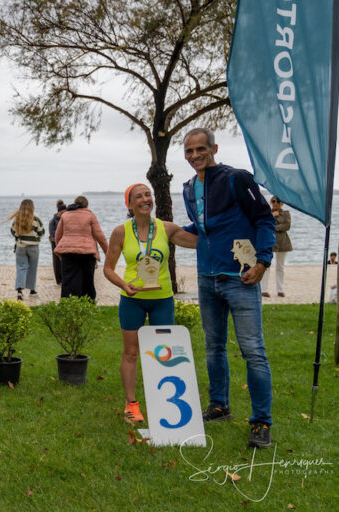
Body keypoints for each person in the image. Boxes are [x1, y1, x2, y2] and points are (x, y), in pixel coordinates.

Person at [182, 127, 275, 449]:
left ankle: (261, 422)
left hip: (240, 278)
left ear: (214, 148)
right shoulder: (188, 188)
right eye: (189, 151)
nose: (195, 155)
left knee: (253, 351)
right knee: (214, 347)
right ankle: (219, 406)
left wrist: (262, 262)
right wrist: (163, 230)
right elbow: (204, 228)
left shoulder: (237, 178)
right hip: (206, 279)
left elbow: (264, 219)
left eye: (200, 149)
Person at [103, 184, 198, 423]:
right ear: (130, 204)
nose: (145, 199)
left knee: (164, 353)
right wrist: (124, 285)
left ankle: (164, 404)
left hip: (162, 300)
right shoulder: (121, 232)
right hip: (132, 300)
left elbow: (198, 242)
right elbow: (108, 269)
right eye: (139, 196)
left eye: (148, 194)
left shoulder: (166, 228)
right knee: (131, 353)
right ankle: (131, 404)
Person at [54, 196, 108, 300]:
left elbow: (57, 235)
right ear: (86, 205)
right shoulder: (90, 215)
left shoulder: (65, 215)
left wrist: (61, 248)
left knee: (68, 282)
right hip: (87, 254)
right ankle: (87, 305)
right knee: (87, 283)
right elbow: (100, 236)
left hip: (68, 253)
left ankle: (68, 305)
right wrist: (108, 253)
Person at [8, 199, 45, 301]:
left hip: (21, 247)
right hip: (33, 247)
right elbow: (42, 232)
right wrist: (34, 237)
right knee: (32, 268)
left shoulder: (17, 219)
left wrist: (19, 237)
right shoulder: (36, 219)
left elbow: (13, 231)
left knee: (21, 267)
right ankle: (32, 290)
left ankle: (20, 291)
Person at [262, 196, 292, 298]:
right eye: (273, 201)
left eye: (278, 201)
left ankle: (280, 290)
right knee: (266, 265)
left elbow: (287, 226)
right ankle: (264, 289)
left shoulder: (286, 213)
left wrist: (274, 226)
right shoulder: (267, 213)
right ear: (271, 202)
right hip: (269, 241)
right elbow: (264, 224)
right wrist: (272, 216)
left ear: (282, 203)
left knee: (280, 267)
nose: (275, 203)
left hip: (282, 242)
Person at [48, 200, 66, 285]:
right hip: (55, 242)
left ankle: (65, 278)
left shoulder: (66, 219)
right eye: (63, 212)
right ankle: (58, 280)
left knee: (64, 261)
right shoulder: (53, 221)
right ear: (59, 212)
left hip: (65, 242)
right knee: (56, 262)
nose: (64, 214)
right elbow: (52, 233)